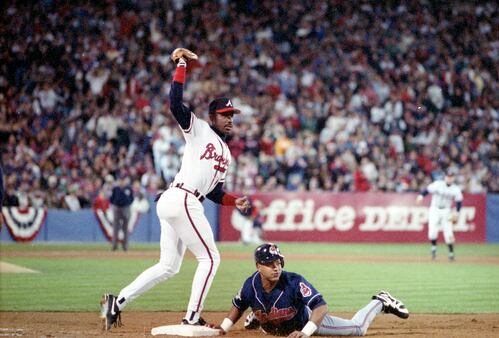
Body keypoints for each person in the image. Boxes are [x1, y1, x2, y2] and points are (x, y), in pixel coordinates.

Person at [100, 48, 250, 330]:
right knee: (210, 258)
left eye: (232, 115)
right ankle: (192, 316)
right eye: (225, 114)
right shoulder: (200, 129)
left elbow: (215, 192)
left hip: (177, 199)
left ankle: (116, 302)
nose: (230, 118)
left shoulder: (227, 153)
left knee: (169, 266)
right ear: (212, 116)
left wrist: (234, 201)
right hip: (181, 199)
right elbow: (175, 104)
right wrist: (181, 64)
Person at [217, 243, 409, 337]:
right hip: (276, 326)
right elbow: (238, 305)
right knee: (266, 316)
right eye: (269, 264)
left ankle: (381, 301)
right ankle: (260, 316)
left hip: (306, 321)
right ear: (258, 266)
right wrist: (223, 328)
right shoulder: (250, 285)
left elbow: (320, 307)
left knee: (357, 329)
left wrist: (306, 331)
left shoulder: (293, 281)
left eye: (278, 262)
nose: (276, 267)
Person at [416, 171, 463, 261]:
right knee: (432, 233)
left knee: (449, 233)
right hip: (434, 209)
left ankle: (451, 253)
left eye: (451, 177)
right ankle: (434, 248)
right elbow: (427, 190)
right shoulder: (438, 184)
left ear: (453, 178)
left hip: (446, 211)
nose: (449, 178)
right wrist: (420, 196)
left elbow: (459, 202)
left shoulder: (455, 189)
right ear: (445, 177)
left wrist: (457, 214)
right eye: (448, 176)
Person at [109, 176, 134, 251]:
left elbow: (132, 198)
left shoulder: (128, 188)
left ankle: (125, 246)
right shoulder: (116, 189)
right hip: (117, 208)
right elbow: (111, 198)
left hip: (125, 208)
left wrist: (128, 203)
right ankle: (114, 245)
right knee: (115, 228)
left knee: (125, 228)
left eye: (123, 180)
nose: (122, 182)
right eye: (120, 180)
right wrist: (115, 204)